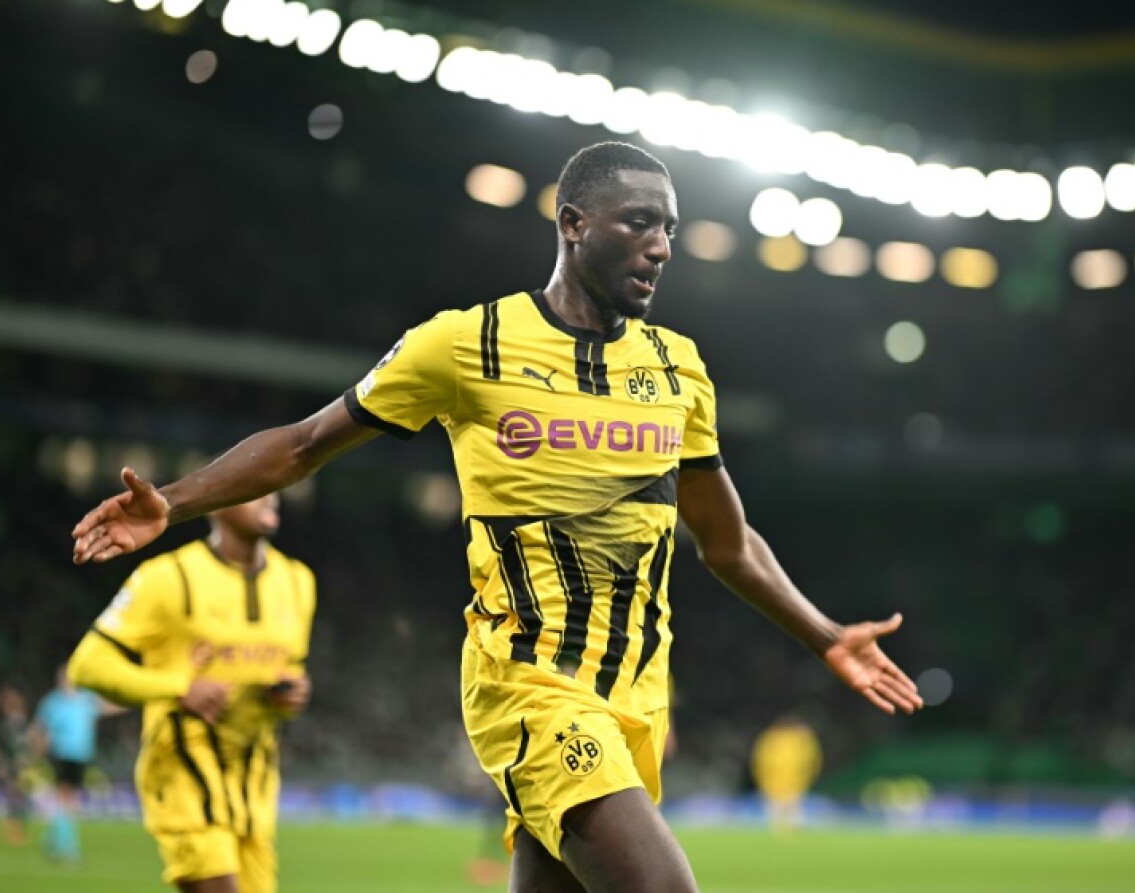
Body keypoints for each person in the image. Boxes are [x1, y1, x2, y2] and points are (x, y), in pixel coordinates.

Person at [71, 141, 923, 892]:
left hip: (635, 697)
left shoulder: (678, 368)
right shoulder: (463, 344)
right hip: (528, 683)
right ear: (573, 222)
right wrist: (174, 503)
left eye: (669, 227)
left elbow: (726, 540)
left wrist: (823, 635)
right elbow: (302, 445)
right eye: (638, 222)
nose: (662, 247)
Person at [67, 492, 315, 893]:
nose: (271, 495)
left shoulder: (298, 582)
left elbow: (290, 670)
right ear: (217, 503)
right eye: (256, 487)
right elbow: (87, 665)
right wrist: (178, 687)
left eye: (275, 488)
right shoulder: (167, 577)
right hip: (184, 775)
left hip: (255, 791)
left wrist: (291, 695)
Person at [31, 665, 118, 861]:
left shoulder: (86, 699)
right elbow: (38, 728)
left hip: (81, 756)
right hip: (61, 755)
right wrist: (36, 750)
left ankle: (52, 838)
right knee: (68, 799)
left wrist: (135, 696)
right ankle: (67, 845)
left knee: (68, 800)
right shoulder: (52, 702)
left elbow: (108, 706)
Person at [749, 714, 822, 832]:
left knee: (789, 809)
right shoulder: (773, 738)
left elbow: (811, 760)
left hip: (788, 781)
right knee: (780, 810)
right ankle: (783, 832)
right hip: (780, 781)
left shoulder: (796, 739)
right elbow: (761, 760)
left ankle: (787, 832)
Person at [0, 684, 32, 846]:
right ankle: (12, 831)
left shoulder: (18, 721)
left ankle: (13, 830)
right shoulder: (8, 724)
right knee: (15, 799)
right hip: (14, 767)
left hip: (22, 767)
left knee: (19, 800)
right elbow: (9, 748)